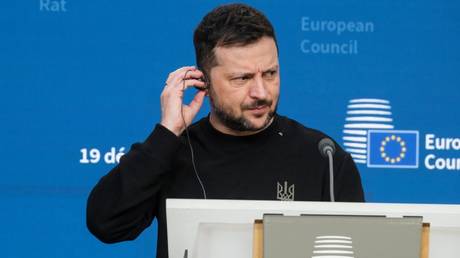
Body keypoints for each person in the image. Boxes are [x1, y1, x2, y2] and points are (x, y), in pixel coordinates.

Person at [86, 3, 364, 258]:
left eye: (270, 74)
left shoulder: (323, 157)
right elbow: (106, 225)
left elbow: (358, 250)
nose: (261, 92)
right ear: (203, 81)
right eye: (242, 78)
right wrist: (167, 132)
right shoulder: (172, 152)